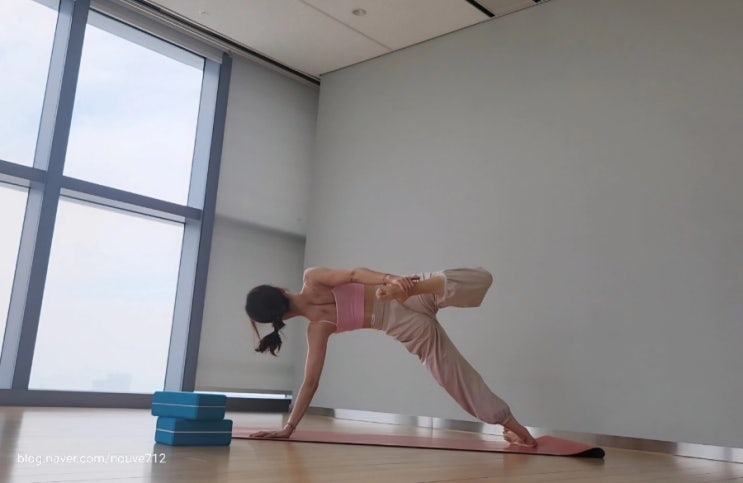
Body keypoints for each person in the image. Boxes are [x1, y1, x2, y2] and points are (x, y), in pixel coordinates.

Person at [245, 267, 537, 447]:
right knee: (481, 278)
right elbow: (354, 274)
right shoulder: (313, 278)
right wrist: (392, 280)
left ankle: (515, 428)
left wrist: (289, 428)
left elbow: (310, 383)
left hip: (402, 324)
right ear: (280, 290)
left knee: (453, 376)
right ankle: (418, 286)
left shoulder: (318, 328)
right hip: (402, 291)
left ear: (279, 318)